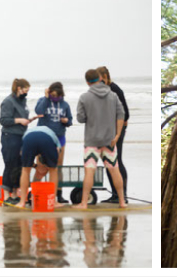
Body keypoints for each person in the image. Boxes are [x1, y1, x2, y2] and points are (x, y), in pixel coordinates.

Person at [74, 69, 126, 209]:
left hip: (92, 142)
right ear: (100, 79)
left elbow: (80, 118)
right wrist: (117, 135)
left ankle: (84, 203)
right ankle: (122, 201)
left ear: (87, 82)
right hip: (109, 141)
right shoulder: (113, 95)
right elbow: (121, 115)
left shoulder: (84, 97)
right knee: (115, 170)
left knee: (89, 171)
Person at [34, 82, 73, 203]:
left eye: (57, 96)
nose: (55, 98)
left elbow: (70, 120)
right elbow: (38, 112)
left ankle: (58, 194)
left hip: (59, 137)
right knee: (41, 165)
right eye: (53, 95)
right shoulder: (43, 101)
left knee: (57, 166)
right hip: (43, 136)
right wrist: (46, 98)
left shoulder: (65, 104)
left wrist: (66, 121)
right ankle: (35, 193)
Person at [96, 66, 129, 204]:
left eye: (97, 78)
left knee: (116, 161)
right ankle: (115, 194)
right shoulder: (102, 90)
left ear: (103, 76)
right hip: (106, 131)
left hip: (116, 131)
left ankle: (122, 194)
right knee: (108, 162)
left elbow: (125, 113)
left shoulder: (114, 89)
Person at [0, 78, 35, 205]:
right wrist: (19, 121)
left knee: (20, 165)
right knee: (10, 164)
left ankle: (15, 194)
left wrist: (27, 121)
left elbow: (22, 117)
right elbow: (3, 120)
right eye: (26, 90)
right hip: (10, 136)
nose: (27, 92)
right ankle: (5, 196)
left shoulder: (23, 102)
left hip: (22, 135)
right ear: (19, 89)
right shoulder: (8, 101)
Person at [16, 125, 64, 208]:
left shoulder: (28, 132)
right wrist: (50, 165)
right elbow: (58, 150)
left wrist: (35, 165)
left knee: (25, 170)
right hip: (46, 139)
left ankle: (22, 202)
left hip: (29, 139)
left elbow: (21, 155)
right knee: (54, 170)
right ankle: (54, 202)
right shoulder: (53, 134)